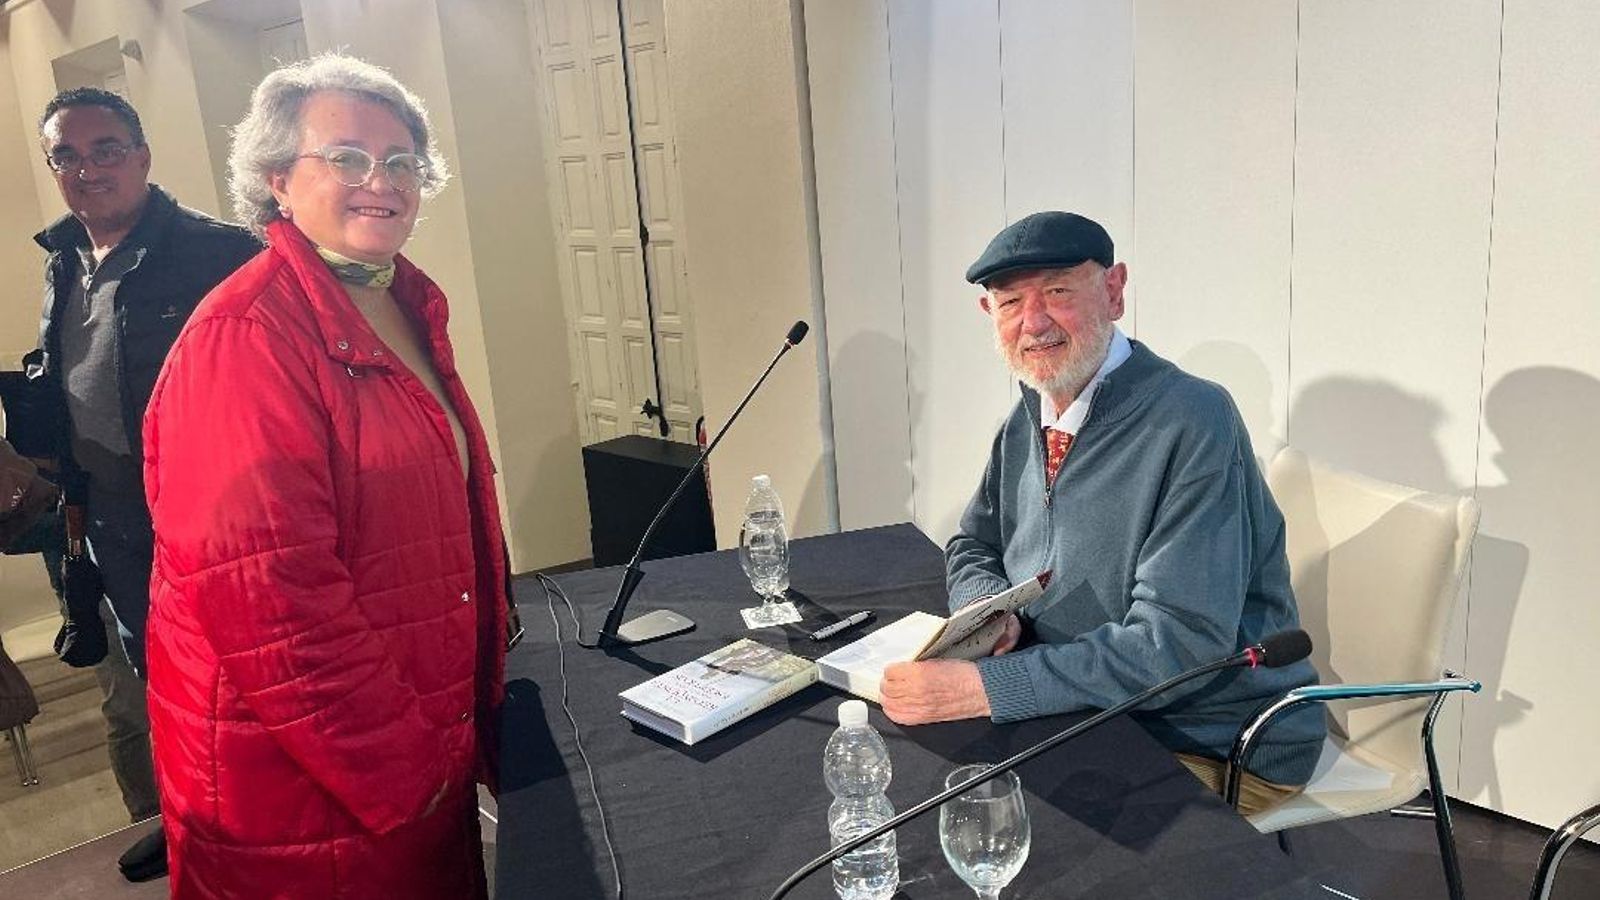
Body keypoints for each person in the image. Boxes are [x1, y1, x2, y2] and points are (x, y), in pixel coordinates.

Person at [143, 54, 507, 898]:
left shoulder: (398, 300)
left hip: (403, 740)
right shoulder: (245, 335)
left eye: (402, 162)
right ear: (277, 179)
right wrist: (409, 765)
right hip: (309, 786)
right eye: (345, 157)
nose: (381, 181)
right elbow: (272, 600)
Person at [879, 211, 1326, 815]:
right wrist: (988, 615)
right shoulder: (1028, 419)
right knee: (926, 794)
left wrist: (987, 686)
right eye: (1011, 301)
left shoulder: (1194, 421)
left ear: (1113, 291)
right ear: (991, 317)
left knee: (1012, 835)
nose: (1034, 322)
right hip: (1087, 709)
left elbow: (1180, 644)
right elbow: (971, 545)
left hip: (1211, 740)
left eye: (1058, 292)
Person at [31, 87, 262, 880]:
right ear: (53, 167)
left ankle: (266, 828)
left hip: (206, 513)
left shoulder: (219, 252)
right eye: (68, 154)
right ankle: (193, 820)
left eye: (106, 149)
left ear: (141, 156)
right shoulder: (64, 257)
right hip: (106, 514)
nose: (89, 168)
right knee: (160, 682)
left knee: (238, 675)